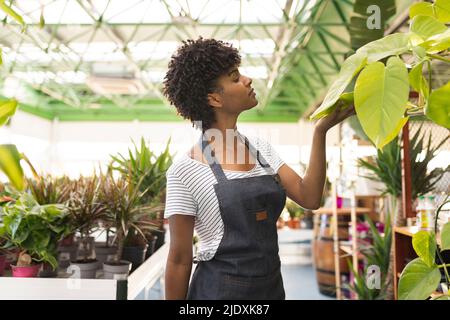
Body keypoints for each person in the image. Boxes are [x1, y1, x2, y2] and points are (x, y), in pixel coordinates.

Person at [162, 38, 355, 300]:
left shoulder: (261, 149)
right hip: (217, 294)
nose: (247, 80)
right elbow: (179, 260)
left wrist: (320, 132)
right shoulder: (185, 171)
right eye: (235, 77)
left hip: (270, 289)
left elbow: (309, 197)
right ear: (214, 98)